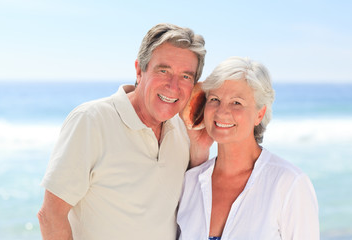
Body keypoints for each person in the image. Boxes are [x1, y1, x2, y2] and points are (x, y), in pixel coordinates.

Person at [37, 23, 211, 240]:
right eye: (163, 70)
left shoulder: (183, 130)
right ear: (139, 70)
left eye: (185, 76)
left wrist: (200, 148)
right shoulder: (91, 120)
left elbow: (193, 210)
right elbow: (51, 215)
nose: (173, 86)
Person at [177, 56, 320, 239]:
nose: (221, 111)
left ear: (259, 114)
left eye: (237, 102)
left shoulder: (289, 183)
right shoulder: (190, 182)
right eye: (214, 99)